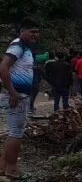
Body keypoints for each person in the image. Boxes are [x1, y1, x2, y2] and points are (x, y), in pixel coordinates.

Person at [0, 18, 40, 179]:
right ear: (22, 31)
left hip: (20, 96)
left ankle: (3, 167)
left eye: (37, 31)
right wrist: (13, 92)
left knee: (14, 132)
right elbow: (3, 68)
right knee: (16, 133)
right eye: (32, 31)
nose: (35, 35)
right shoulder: (18, 46)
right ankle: (11, 169)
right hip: (17, 97)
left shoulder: (24, 47)